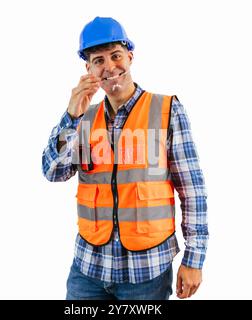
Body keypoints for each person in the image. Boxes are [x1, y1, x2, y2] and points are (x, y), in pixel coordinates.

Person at [42, 16, 208, 300]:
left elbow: (192, 190)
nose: (109, 67)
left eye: (115, 56)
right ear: (88, 69)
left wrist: (194, 257)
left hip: (146, 273)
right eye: (98, 61)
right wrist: (70, 116)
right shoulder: (83, 118)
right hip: (88, 270)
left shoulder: (167, 110)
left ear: (130, 57)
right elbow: (53, 172)